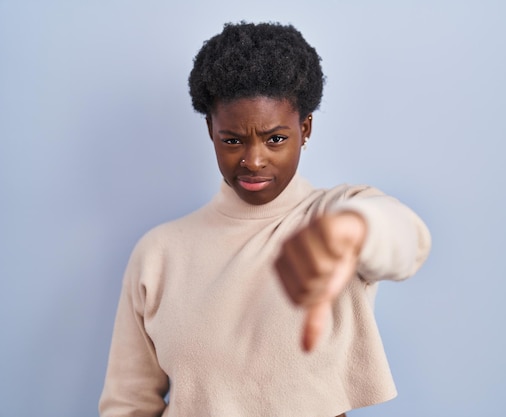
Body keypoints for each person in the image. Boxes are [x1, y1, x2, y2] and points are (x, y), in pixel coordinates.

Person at [99, 21, 431, 417]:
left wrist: (354, 230)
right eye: (233, 140)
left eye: (275, 138)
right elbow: (128, 403)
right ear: (211, 130)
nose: (253, 161)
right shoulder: (159, 252)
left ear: (304, 128)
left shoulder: (332, 216)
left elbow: (406, 239)